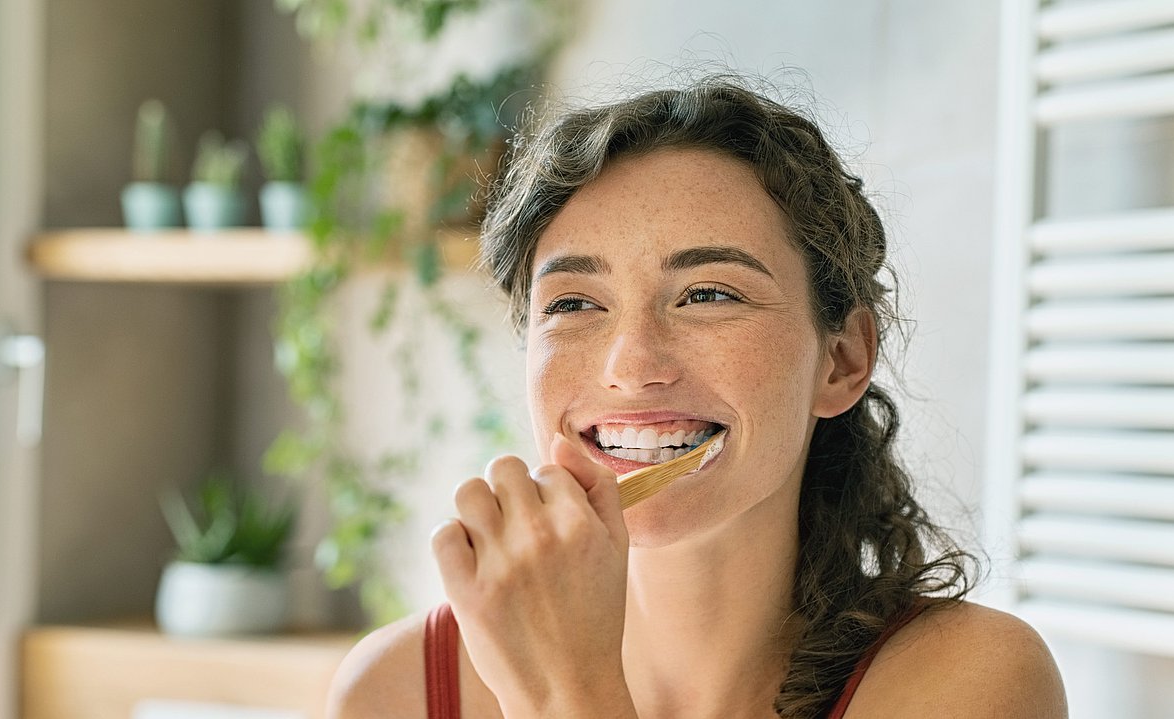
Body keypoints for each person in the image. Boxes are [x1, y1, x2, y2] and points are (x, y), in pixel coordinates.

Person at [328, 77, 1068, 719]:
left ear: (841, 360)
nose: (632, 365)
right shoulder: (396, 692)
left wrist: (566, 693)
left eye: (708, 294)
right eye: (575, 303)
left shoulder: (969, 684)